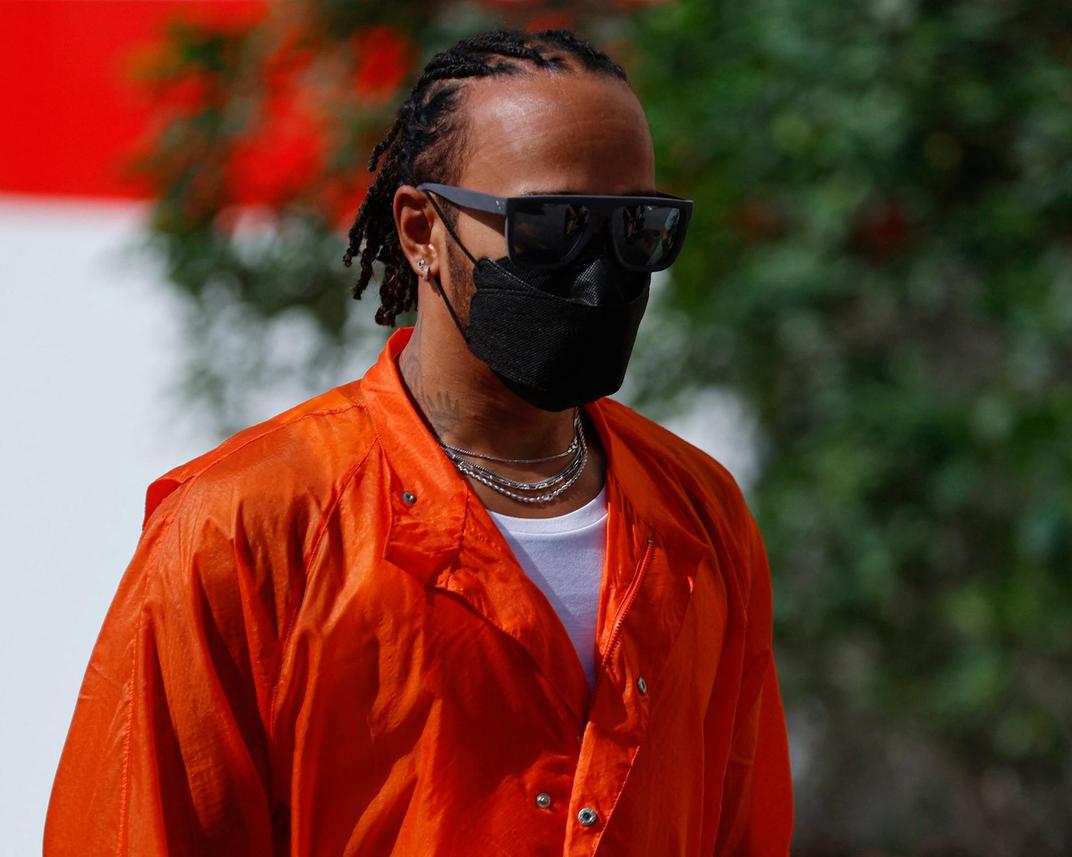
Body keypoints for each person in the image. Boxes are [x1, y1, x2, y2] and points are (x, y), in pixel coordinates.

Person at [44, 28, 794, 856]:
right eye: (552, 227)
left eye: (638, 227)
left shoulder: (701, 516)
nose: (600, 269)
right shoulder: (244, 527)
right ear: (420, 230)